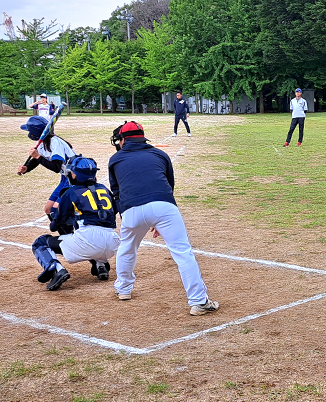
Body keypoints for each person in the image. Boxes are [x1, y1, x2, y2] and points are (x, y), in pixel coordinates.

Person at [108, 121, 219, 315]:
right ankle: (199, 301)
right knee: (183, 253)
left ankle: (123, 289)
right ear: (142, 136)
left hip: (131, 210)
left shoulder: (116, 159)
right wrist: (161, 218)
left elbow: (117, 192)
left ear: (124, 140)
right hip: (163, 205)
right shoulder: (160, 154)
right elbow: (169, 185)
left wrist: (129, 215)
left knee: (127, 248)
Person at [32, 156, 120, 291]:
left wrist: (55, 221)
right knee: (88, 236)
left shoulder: (71, 192)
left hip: (88, 240)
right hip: (112, 241)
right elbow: (113, 211)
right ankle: (100, 265)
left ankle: (56, 270)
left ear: (74, 174)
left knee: (40, 242)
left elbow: (58, 222)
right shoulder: (104, 189)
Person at [17, 116, 77, 215]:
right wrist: (26, 168)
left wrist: (37, 156)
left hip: (74, 178)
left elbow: (56, 167)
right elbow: (36, 161)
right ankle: (64, 229)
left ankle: (71, 229)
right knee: (48, 210)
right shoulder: (42, 142)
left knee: (57, 209)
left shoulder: (55, 142)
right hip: (65, 178)